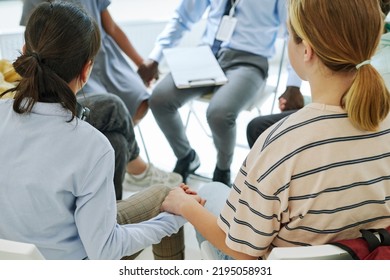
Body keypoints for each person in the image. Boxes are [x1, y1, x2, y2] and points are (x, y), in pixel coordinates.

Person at [161, 0, 390, 260]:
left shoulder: (281, 144)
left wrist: (185, 207)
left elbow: (243, 252)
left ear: (307, 51)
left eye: (291, 35)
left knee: (210, 191)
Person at [0, 1, 199, 260]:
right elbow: (104, 250)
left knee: (116, 140)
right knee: (167, 197)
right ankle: (141, 181)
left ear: (26, 52)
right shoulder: (91, 146)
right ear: (87, 69)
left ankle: (112, 199)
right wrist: (175, 218)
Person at [19, 0, 183, 199]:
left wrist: (141, 62)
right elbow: (39, 46)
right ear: (86, 69)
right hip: (65, 70)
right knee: (113, 109)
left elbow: (111, 27)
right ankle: (138, 169)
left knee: (117, 142)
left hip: (101, 58)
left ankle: (117, 199)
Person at [140, 0, 303, 185]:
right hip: (207, 55)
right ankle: (187, 157)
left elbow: (293, 31)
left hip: (249, 60)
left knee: (219, 113)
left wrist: (294, 84)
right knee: (160, 99)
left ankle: (222, 170)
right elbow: (183, 17)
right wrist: (155, 56)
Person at [246, 0, 390, 148]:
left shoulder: (380, 68)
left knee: (259, 128)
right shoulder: (367, 58)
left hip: (346, 127)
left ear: (307, 50)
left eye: (289, 34)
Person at [21, 0, 149, 125]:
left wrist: (141, 63)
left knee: (141, 100)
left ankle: (120, 129)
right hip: (72, 65)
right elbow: (36, 43)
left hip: (105, 58)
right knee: (104, 108)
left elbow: (113, 28)